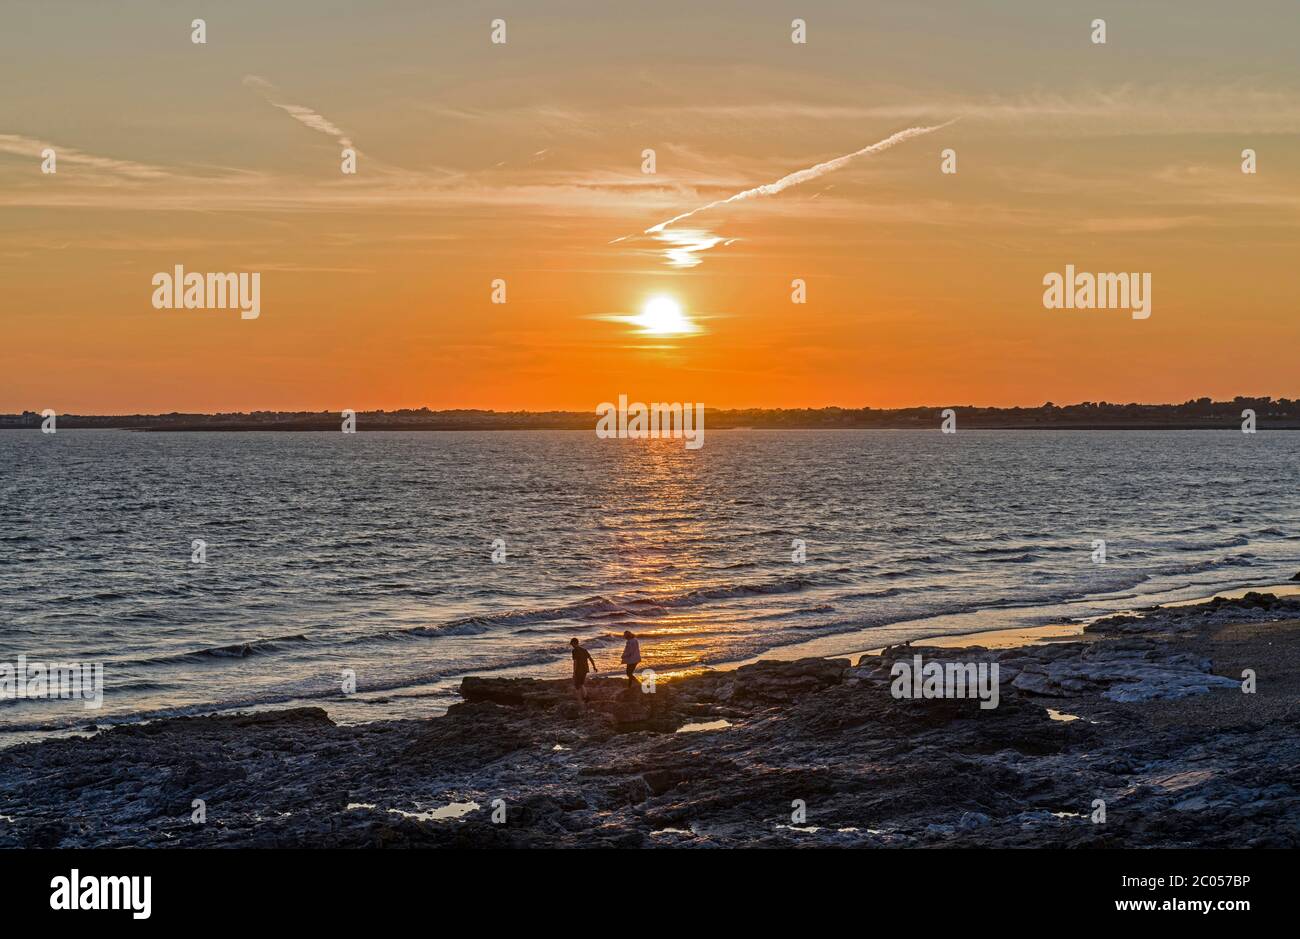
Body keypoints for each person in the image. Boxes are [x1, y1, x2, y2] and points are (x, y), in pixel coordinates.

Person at [569, 638, 598, 708]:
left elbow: (575, 662)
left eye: (572, 644)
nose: (571, 645)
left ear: (574, 643)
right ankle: (586, 697)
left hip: (579, 670)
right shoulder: (584, 650)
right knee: (581, 684)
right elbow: (590, 658)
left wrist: (574, 672)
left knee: (577, 685)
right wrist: (594, 667)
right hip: (585, 669)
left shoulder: (574, 651)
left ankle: (580, 700)